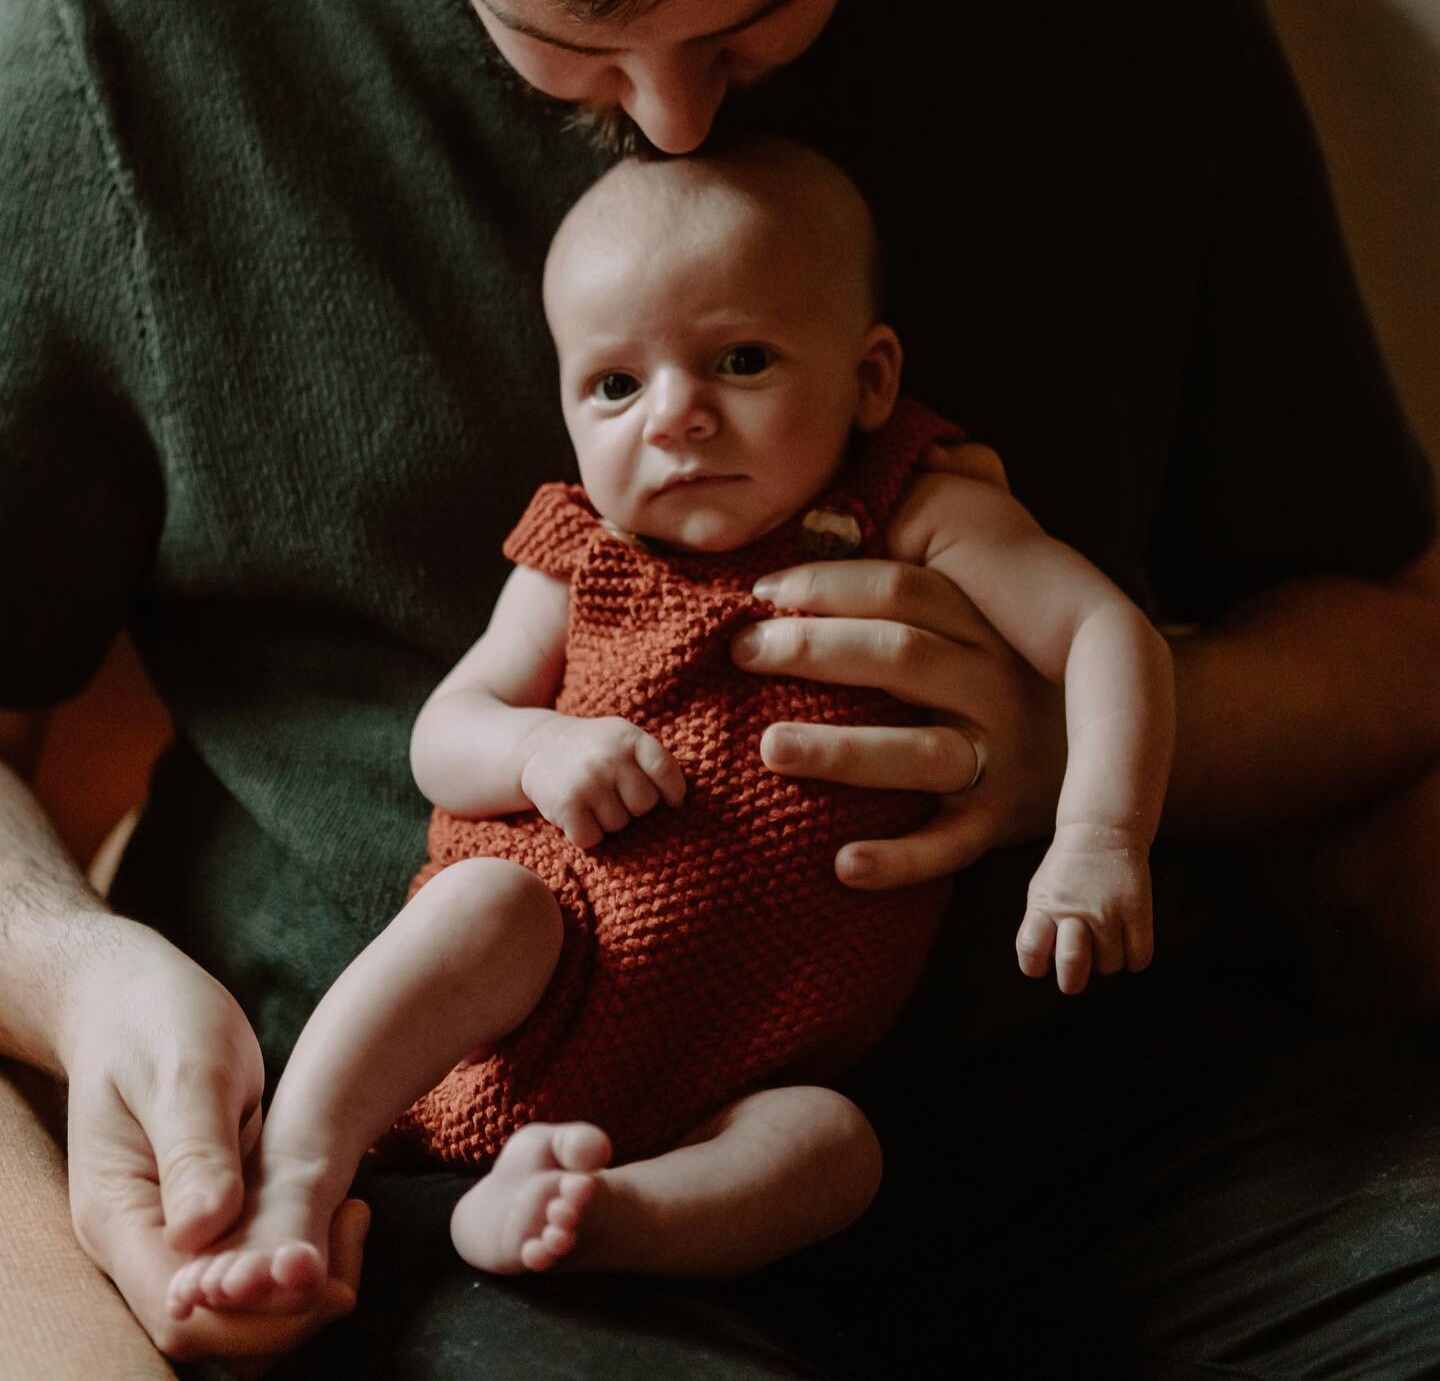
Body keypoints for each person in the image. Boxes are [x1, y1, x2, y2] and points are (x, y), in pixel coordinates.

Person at [0, 0, 1436, 1375]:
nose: (677, 123)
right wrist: (82, 973)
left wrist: (1085, 766)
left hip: (1141, 1134)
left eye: (766, 10)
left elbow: (1388, 632)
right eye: (565, 34)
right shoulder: (122, 39)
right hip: (489, 1184)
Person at [162, 138, 1171, 1334]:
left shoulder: (915, 510)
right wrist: (539, 749)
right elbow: (447, 733)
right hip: (541, 970)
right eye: (615, 387)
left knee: (833, 1152)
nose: (677, 419)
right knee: (482, 905)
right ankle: (296, 1179)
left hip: (750, 1069)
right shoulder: (579, 553)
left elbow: (1108, 632)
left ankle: (599, 1217)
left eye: (740, 361)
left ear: (870, 379)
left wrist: (1100, 832)